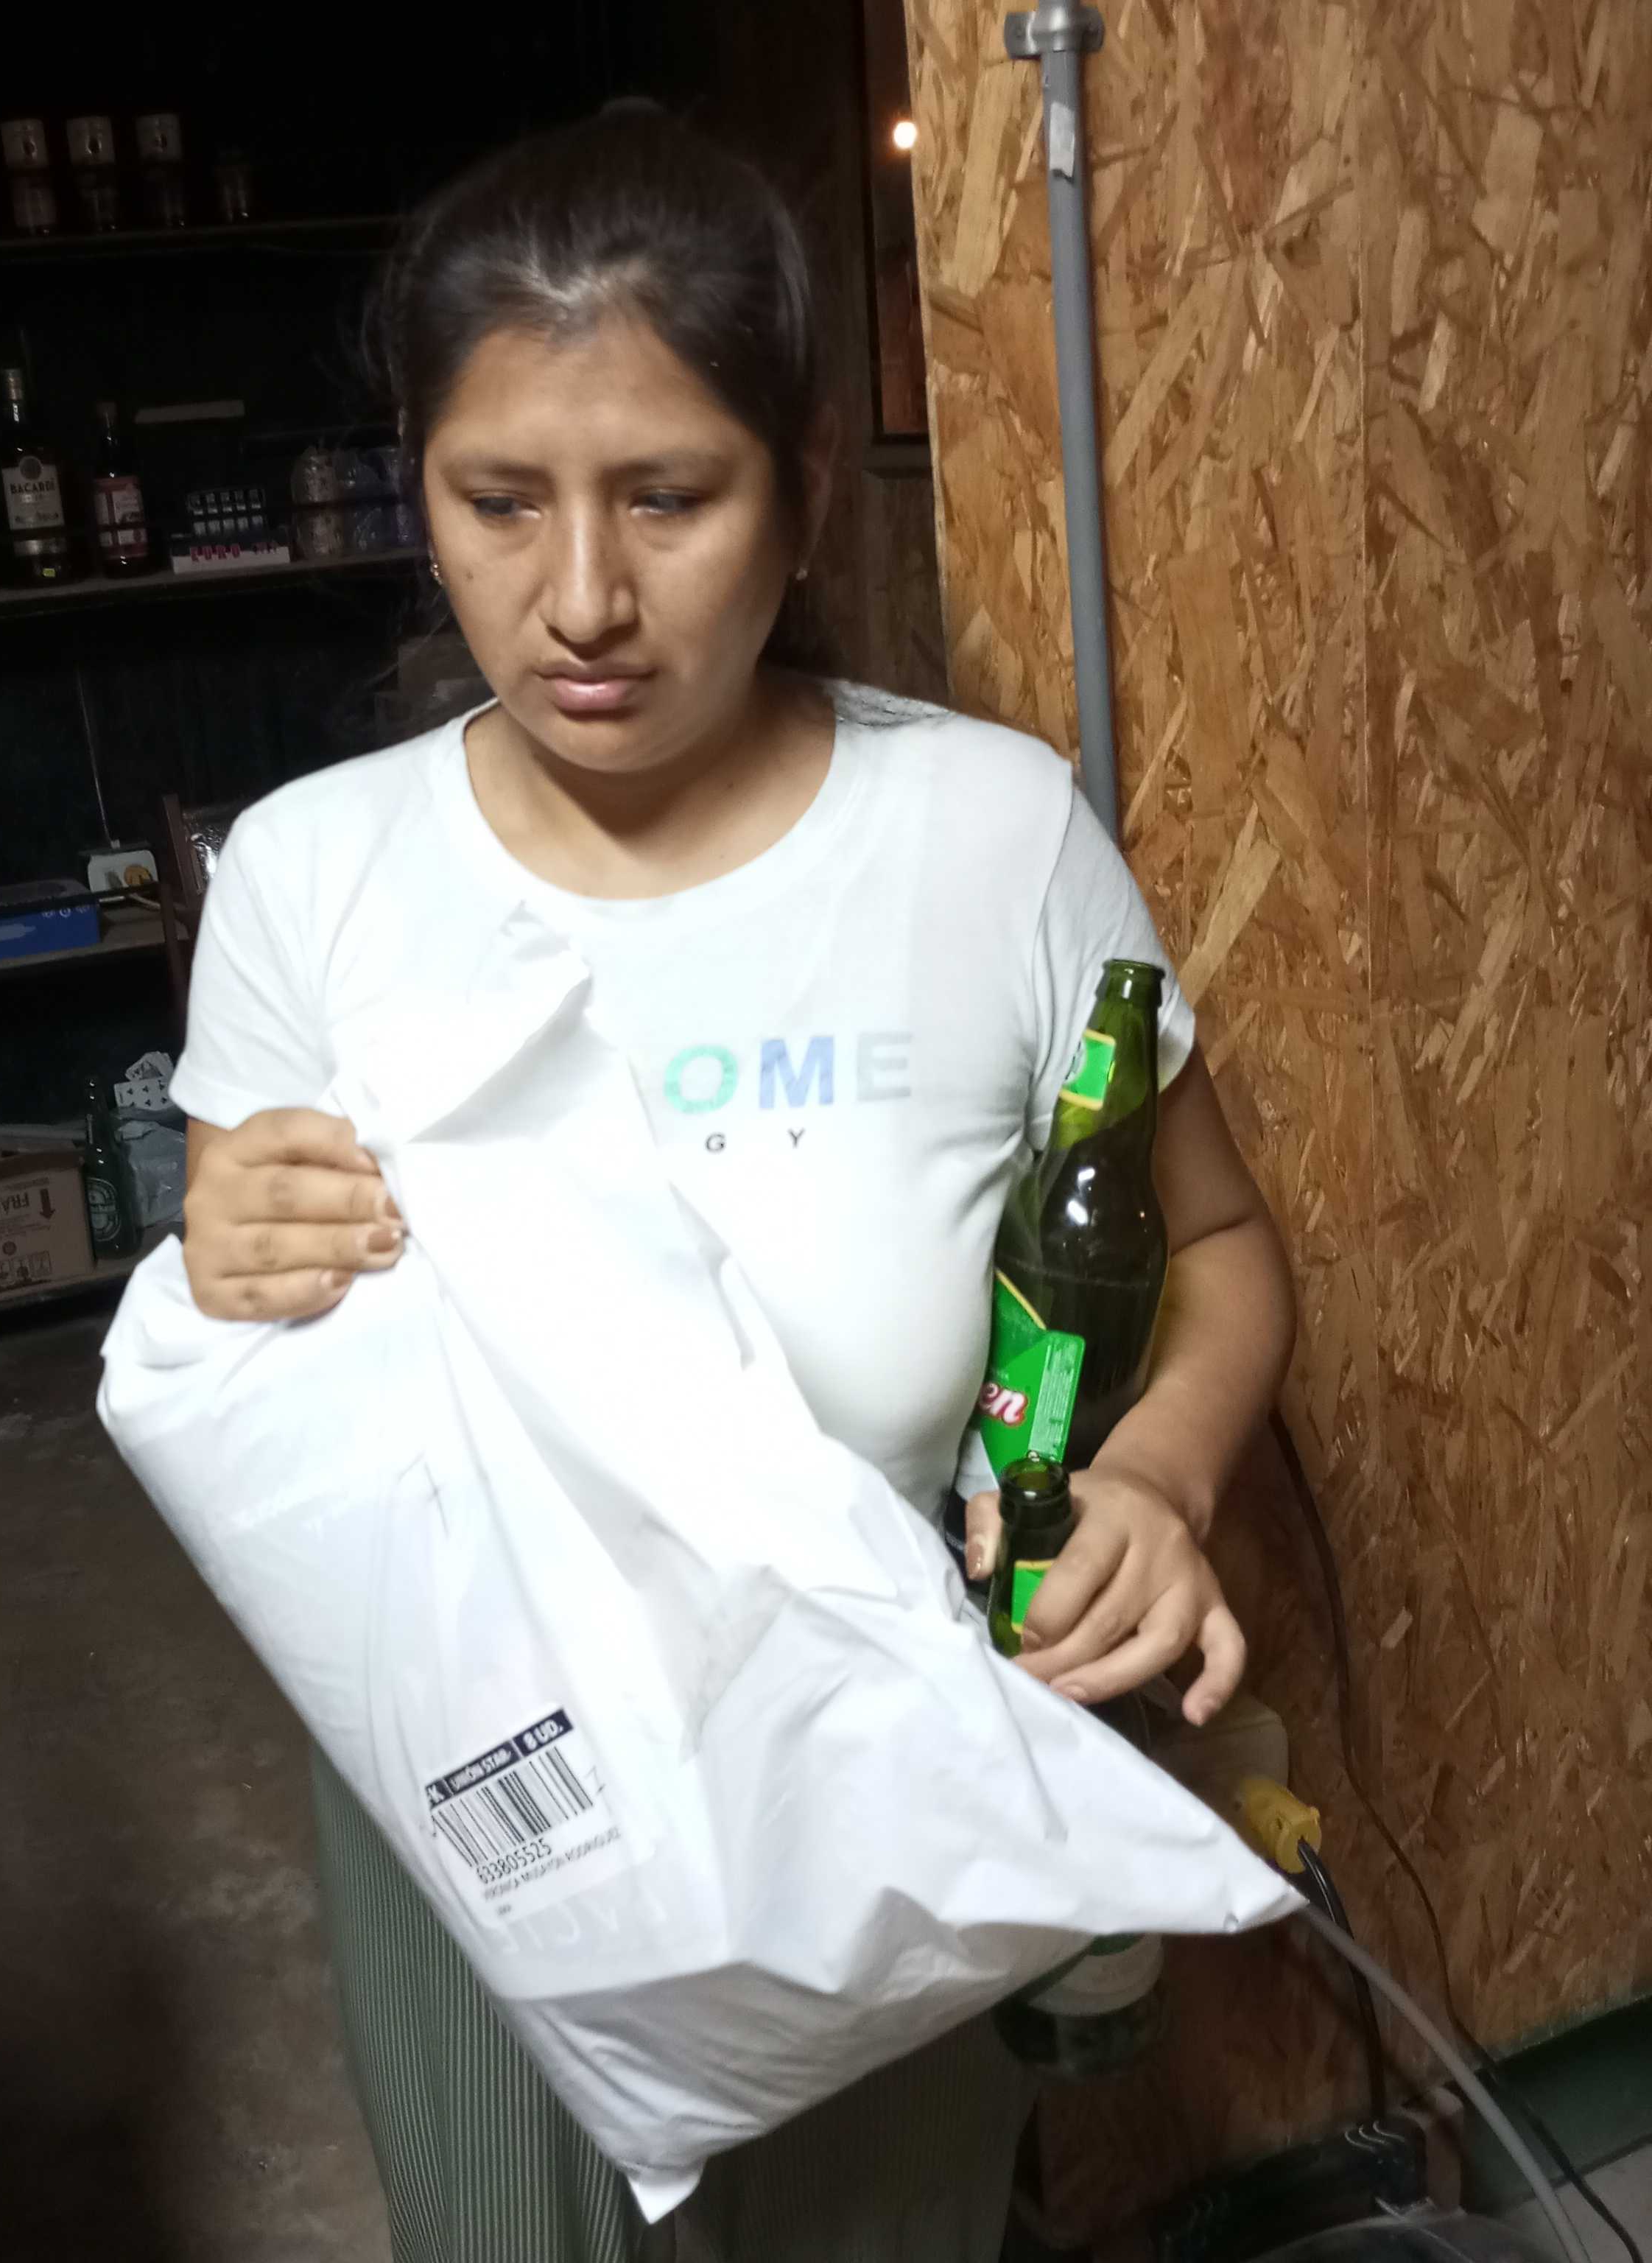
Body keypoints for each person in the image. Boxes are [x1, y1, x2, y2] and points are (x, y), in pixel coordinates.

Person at [169, 106, 1296, 2263]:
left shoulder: (987, 837)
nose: (582, 598)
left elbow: (1222, 1243)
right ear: (419, 489)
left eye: (669, 498)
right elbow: (281, 1394)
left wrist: (1158, 1476)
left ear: (800, 491)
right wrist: (229, 1261)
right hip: (494, 1810)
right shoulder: (318, 878)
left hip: (887, 1768)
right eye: (500, 502)